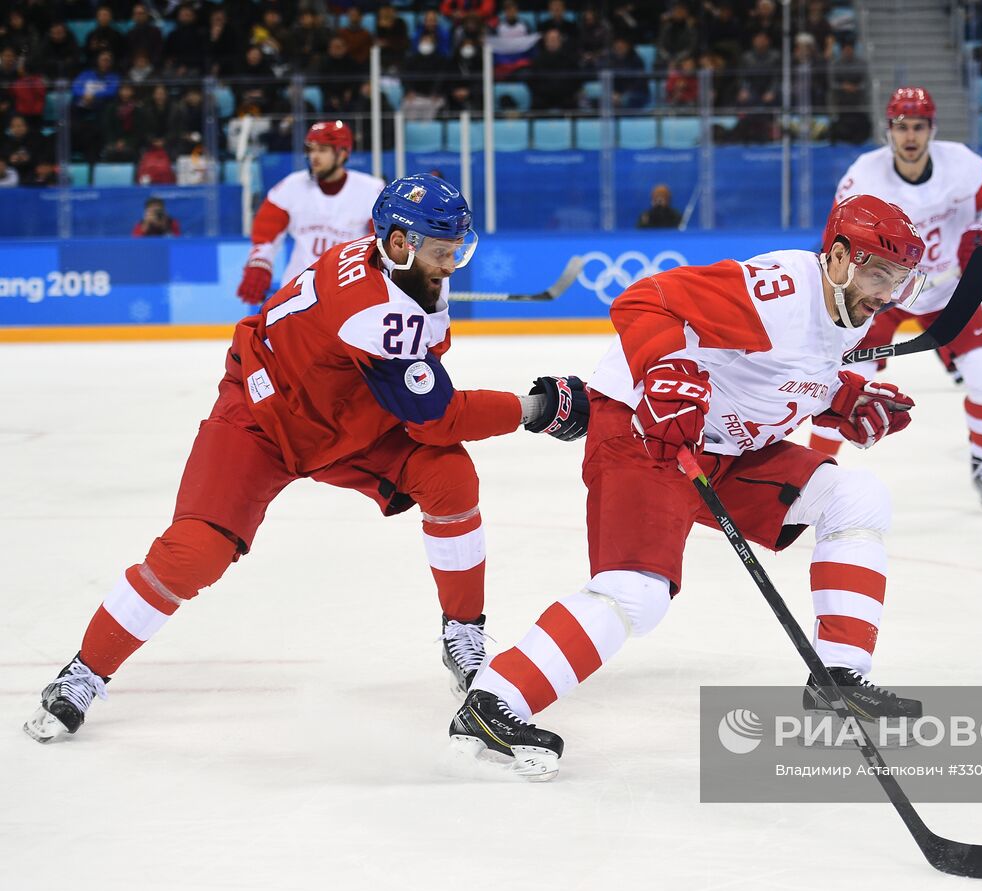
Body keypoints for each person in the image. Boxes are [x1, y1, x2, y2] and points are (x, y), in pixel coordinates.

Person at [23, 174, 591, 744]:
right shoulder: (373, 310)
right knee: (196, 550)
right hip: (261, 420)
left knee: (449, 476)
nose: (450, 264)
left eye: (456, 250)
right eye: (442, 252)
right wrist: (536, 407)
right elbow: (435, 415)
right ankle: (84, 672)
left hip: (342, 419)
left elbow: (417, 384)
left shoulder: (399, 272)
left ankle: (463, 632)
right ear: (398, 243)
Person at [448, 195, 928, 781]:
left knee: (858, 498)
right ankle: (494, 702)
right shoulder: (778, 290)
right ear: (838, 257)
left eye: (899, 281)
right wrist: (664, 370)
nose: (887, 295)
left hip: (724, 447)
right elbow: (643, 300)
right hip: (642, 430)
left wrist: (840, 398)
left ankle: (839, 680)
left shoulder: (848, 310)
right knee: (636, 594)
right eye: (879, 274)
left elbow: (779, 372)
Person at [810, 86, 982, 513]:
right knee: (841, 378)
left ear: (931, 130)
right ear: (889, 130)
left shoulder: (964, 165)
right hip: (879, 295)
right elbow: (837, 233)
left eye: (918, 126)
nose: (910, 136)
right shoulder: (864, 174)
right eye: (901, 126)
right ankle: (814, 469)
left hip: (945, 291)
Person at [237, 121, 384, 307]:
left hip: (347, 292)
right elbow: (266, 231)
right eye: (311, 150)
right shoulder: (291, 186)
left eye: (322, 150)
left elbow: (383, 242)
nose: (314, 156)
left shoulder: (371, 190)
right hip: (297, 293)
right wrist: (260, 261)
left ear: (342, 153)